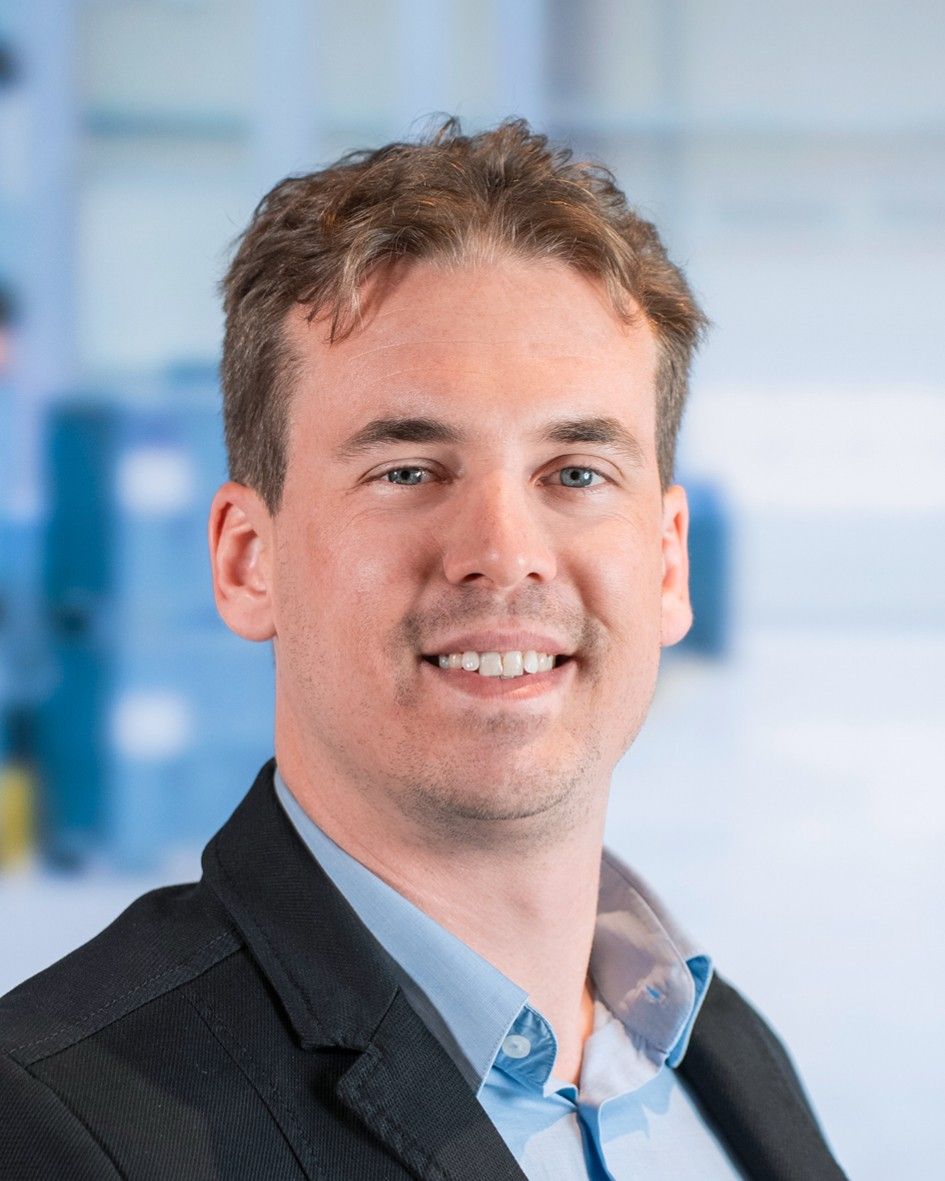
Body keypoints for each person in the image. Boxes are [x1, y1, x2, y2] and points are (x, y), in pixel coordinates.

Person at [0, 119, 847, 1180]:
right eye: (408, 470)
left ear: (668, 565)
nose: (503, 553)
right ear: (247, 561)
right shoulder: (59, 1124)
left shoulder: (728, 1061)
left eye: (576, 471)